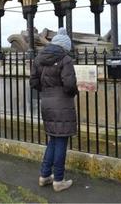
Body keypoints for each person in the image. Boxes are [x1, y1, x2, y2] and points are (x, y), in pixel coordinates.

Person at [30, 27, 78, 192]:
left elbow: (33, 82)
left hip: (46, 102)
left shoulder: (38, 58)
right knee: (61, 141)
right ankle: (58, 180)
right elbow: (70, 84)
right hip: (62, 103)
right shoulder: (65, 59)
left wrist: (46, 91)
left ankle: (44, 176)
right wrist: (72, 93)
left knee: (53, 140)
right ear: (65, 46)